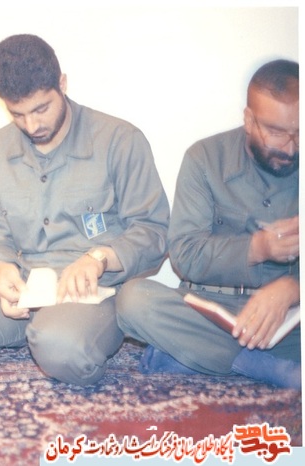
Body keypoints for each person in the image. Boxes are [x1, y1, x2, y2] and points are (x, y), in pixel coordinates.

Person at [0, 34, 170, 386]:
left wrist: (99, 258)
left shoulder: (120, 140)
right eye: (17, 114)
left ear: (62, 84)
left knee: (63, 350)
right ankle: (29, 334)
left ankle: (53, 335)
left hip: (91, 290)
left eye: (41, 109)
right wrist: (1, 268)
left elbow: (154, 231)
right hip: (22, 282)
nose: (32, 126)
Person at [116, 59, 300, 389]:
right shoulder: (204, 159)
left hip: (290, 318)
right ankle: (257, 363)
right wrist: (258, 248)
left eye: (299, 132)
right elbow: (184, 255)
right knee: (132, 301)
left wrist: (292, 288)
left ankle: (193, 357)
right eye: (275, 133)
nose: (291, 147)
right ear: (248, 120)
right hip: (214, 311)